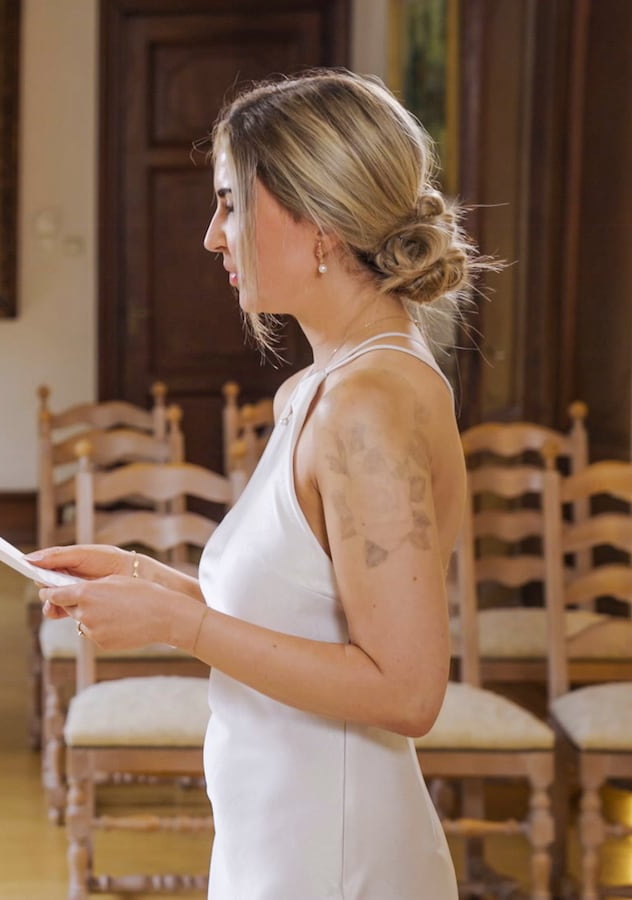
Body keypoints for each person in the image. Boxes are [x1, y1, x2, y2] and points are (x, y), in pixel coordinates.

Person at [31, 69, 486, 898]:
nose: (213, 236)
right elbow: (300, 609)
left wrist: (179, 621)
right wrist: (142, 578)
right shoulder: (322, 387)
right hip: (281, 828)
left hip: (334, 851)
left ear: (316, 219)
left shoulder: (367, 404)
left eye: (230, 203)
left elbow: (408, 689)